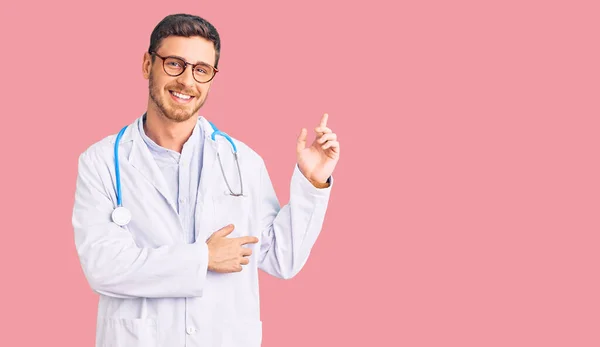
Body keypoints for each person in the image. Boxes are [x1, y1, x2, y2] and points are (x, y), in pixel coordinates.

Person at [71, 13, 340, 347]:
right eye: (174, 64)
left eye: (201, 69)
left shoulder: (242, 161)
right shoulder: (101, 162)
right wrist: (204, 259)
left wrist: (311, 183)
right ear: (147, 64)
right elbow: (103, 267)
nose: (187, 81)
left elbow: (280, 259)